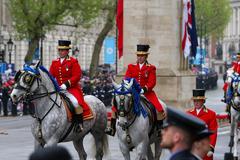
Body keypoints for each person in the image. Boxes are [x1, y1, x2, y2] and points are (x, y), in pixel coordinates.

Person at [105, 44, 165, 136]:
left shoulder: (151, 67)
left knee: (158, 108)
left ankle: (159, 129)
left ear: (146, 56)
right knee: (115, 107)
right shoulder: (131, 66)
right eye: (138, 55)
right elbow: (126, 79)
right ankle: (112, 128)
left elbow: (152, 82)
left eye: (142, 56)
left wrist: (144, 89)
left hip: (147, 93)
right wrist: (127, 87)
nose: (140, 58)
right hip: (132, 92)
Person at [49, 40, 92, 132]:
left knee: (75, 102)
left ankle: (79, 123)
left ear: (67, 51)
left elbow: (77, 76)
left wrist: (66, 84)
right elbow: (51, 76)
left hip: (71, 88)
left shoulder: (73, 61)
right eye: (59, 50)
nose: (60, 52)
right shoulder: (54, 62)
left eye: (63, 50)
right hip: (58, 88)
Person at [187, 89, 218, 160]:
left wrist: (211, 147)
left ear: (203, 101)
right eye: (194, 101)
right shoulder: (188, 113)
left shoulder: (211, 114)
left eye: (198, 101)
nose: (196, 103)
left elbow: (213, 132)